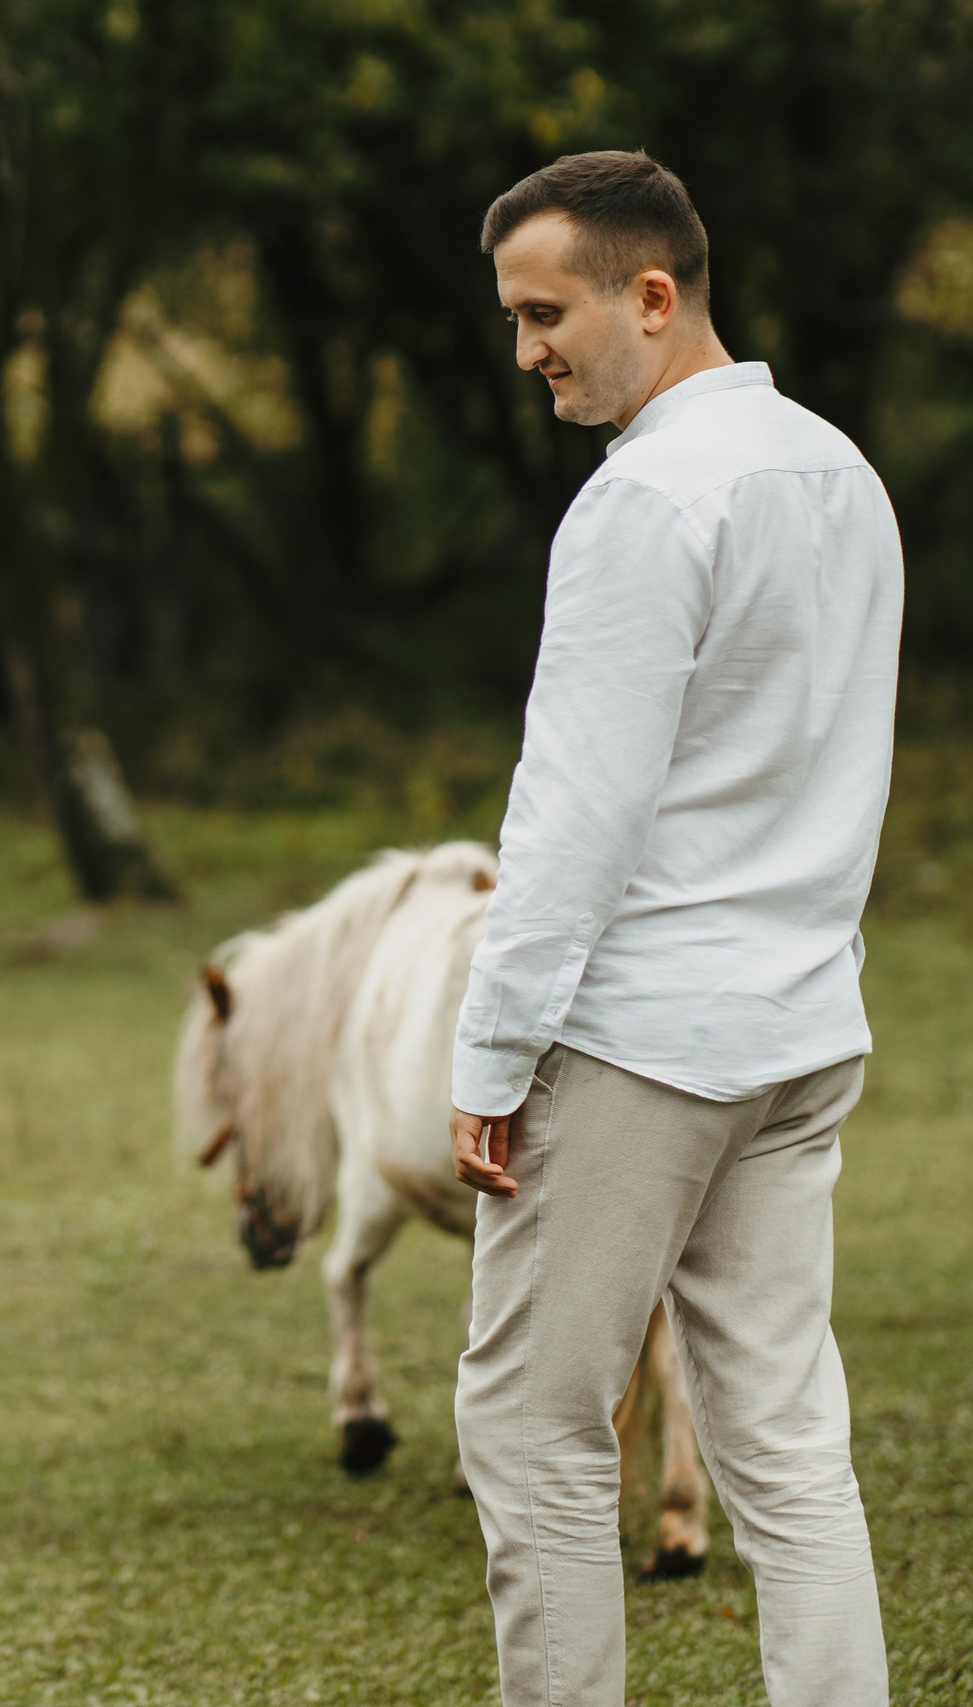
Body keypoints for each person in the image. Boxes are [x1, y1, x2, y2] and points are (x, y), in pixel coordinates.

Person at [450, 152, 901, 1706]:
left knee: (530, 1429)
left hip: (639, 1042)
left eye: (545, 312)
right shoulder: (842, 471)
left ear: (654, 295)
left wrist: (491, 1054)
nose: (527, 353)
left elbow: (572, 819)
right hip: (799, 1029)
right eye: (512, 319)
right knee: (789, 1446)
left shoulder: (641, 501)